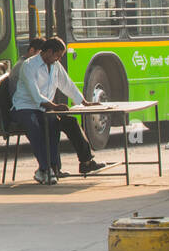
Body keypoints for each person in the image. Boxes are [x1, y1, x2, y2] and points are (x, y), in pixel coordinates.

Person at [10, 38, 108, 178]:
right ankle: (45, 169)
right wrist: (55, 106)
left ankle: (86, 162)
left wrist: (84, 102)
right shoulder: (29, 65)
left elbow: (67, 84)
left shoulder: (55, 64)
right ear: (49, 52)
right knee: (36, 127)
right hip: (24, 108)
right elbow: (35, 96)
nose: (58, 59)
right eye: (58, 55)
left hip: (45, 109)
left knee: (68, 122)